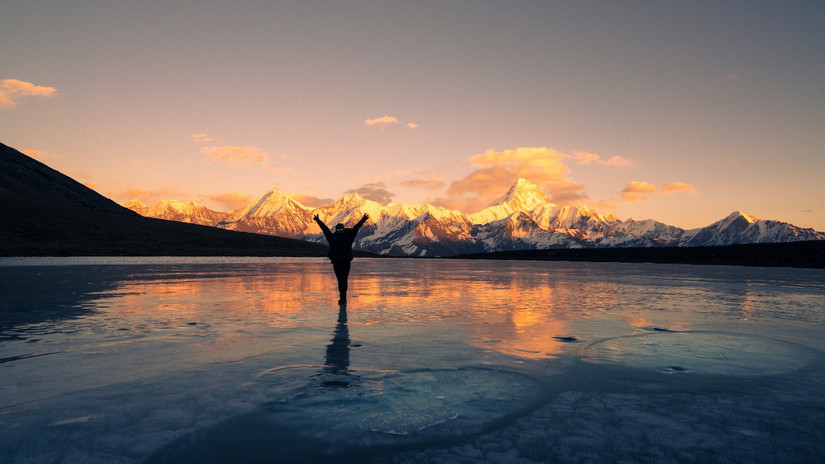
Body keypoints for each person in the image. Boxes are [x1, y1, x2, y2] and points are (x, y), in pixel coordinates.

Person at [313, 213, 369, 305]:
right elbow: (356, 228)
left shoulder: (332, 237)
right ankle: (343, 297)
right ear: (343, 229)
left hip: (337, 262)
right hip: (346, 262)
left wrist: (318, 221)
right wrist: (363, 220)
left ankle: (342, 297)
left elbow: (325, 230)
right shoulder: (349, 237)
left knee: (340, 280)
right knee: (344, 279)